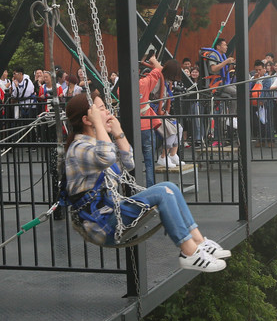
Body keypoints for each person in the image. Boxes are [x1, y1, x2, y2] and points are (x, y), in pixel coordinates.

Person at [63, 92, 229, 272]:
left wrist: (118, 133)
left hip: (111, 212)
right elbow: (107, 157)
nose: (108, 112)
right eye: (102, 109)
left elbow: (128, 163)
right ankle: (189, 253)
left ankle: (199, 242)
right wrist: (99, 125)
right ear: (88, 120)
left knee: (169, 186)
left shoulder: (96, 143)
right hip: (100, 224)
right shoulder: (79, 149)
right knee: (163, 193)